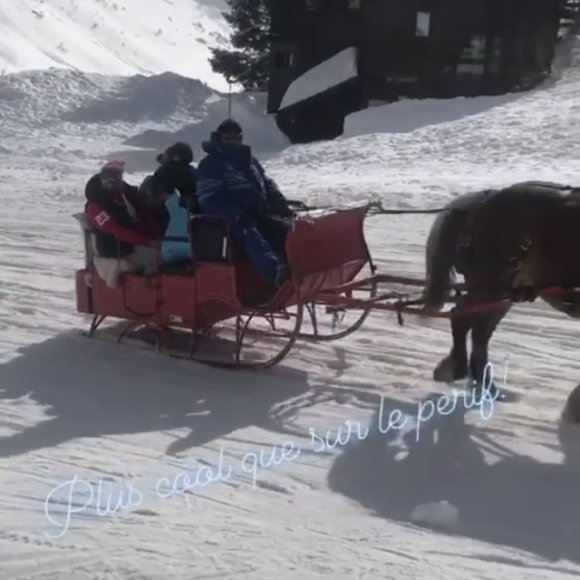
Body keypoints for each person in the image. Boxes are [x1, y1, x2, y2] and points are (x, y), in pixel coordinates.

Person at [195, 119, 293, 287]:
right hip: (228, 218)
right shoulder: (210, 164)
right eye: (229, 138)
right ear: (219, 138)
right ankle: (274, 272)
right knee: (251, 233)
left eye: (237, 138)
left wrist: (277, 199)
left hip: (256, 213)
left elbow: (265, 181)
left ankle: (300, 264)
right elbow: (210, 199)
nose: (234, 142)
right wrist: (238, 215)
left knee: (286, 229)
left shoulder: (249, 160)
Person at [84, 160, 164, 286]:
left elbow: (144, 214)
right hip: (117, 250)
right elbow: (117, 231)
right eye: (107, 179)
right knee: (157, 259)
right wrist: (147, 242)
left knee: (163, 253)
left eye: (115, 178)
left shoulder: (126, 196)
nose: (111, 183)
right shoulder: (96, 206)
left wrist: (157, 236)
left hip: (134, 245)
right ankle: (145, 291)